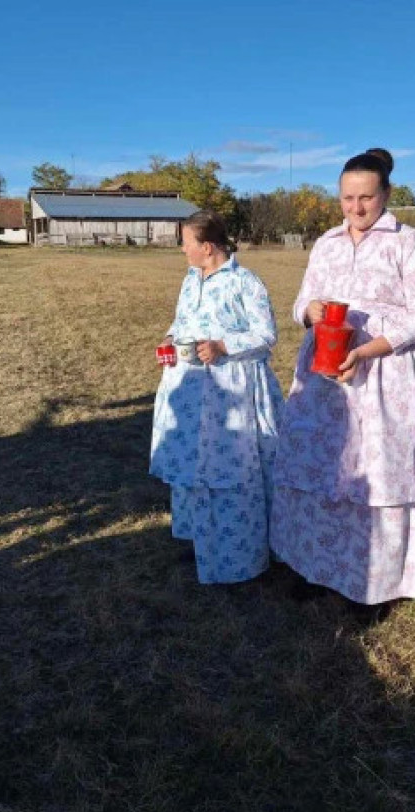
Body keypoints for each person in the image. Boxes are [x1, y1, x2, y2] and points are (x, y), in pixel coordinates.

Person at [270, 148, 415, 604]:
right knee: (320, 465)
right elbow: (301, 303)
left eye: (366, 198)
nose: (356, 209)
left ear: (387, 194)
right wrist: (309, 312)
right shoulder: (326, 244)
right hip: (324, 374)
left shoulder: (408, 242)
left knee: (378, 475)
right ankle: (313, 565)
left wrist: (367, 349)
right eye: (347, 198)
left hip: (386, 374)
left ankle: (374, 585)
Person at [150, 209, 284, 584]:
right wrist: (170, 337)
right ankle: (199, 540)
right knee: (194, 464)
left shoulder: (246, 283)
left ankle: (240, 557)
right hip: (191, 389)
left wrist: (224, 345)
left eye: (185, 243)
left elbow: (266, 334)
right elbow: (182, 320)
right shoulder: (191, 280)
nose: (182, 250)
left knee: (233, 470)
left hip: (231, 390)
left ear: (206, 246)